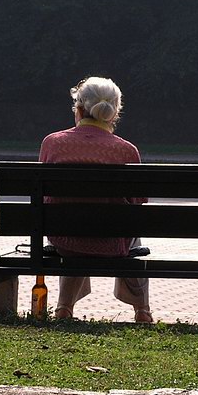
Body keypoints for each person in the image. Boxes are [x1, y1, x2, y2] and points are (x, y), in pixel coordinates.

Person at [39, 76, 153, 323]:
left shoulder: (53, 143)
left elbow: (46, 196)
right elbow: (138, 202)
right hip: (113, 243)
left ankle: (64, 307)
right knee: (132, 223)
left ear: (78, 109)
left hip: (65, 239)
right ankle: (142, 310)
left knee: (72, 223)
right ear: (113, 113)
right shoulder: (126, 150)